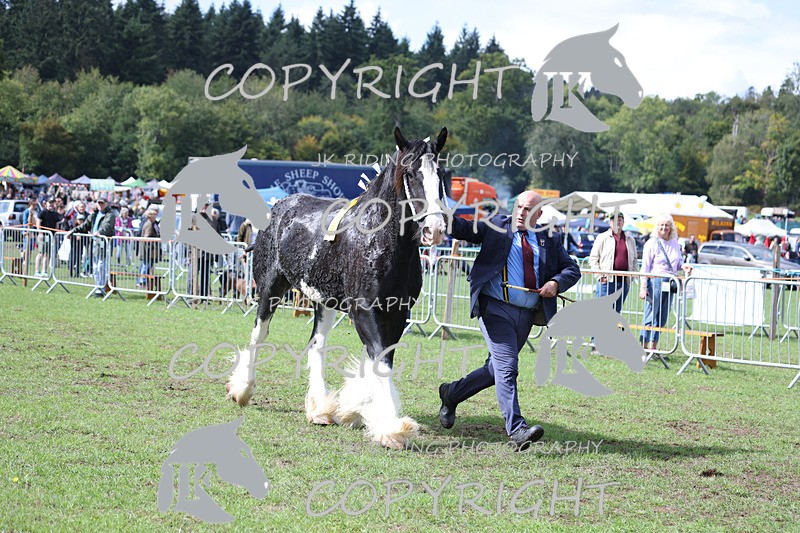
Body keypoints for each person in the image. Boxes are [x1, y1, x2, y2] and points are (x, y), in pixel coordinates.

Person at [437, 191, 581, 449]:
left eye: (528, 210)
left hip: (527, 315)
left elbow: (572, 269)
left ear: (539, 214)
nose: (521, 213)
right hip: (494, 309)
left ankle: (452, 393)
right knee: (507, 367)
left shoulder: (550, 238)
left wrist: (555, 283)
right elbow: (463, 228)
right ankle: (517, 430)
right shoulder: (496, 226)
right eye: (519, 207)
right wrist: (438, 212)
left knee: (495, 371)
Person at [638, 213, 690, 351]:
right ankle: (643, 346)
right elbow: (645, 267)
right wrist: (643, 287)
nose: (664, 228)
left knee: (662, 316)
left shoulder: (675, 243)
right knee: (650, 314)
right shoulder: (651, 243)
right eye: (661, 225)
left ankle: (653, 347)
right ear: (657, 227)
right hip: (654, 281)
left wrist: (683, 266)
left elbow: (677, 263)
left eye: (667, 225)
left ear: (671, 227)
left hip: (670, 282)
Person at [588, 211, 638, 313]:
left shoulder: (630, 239)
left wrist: (631, 276)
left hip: (623, 282)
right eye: (614, 220)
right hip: (606, 282)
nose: (617, 222)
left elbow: (634, 260)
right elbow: (593, 258)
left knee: (616, 313)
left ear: (623, 222)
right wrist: (599, 276)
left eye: (619, 220)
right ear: (610, 222)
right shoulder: (602, 237)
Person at [68, 197, 117, 297]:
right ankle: (98, 286)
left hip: (104, 243)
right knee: (95, 267)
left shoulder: (110, 214)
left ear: (107, 203)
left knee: (101, 265)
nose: (100, 205)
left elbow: (107, 226)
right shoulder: (94, 214)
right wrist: (72, 231)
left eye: (102, 203)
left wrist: (99, 232)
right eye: (99, 203)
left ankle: (101, 288)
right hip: (94, 243)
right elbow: (85, 225)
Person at [36, 199, 62, 276]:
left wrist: (56, 234)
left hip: (51, 236)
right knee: (40, 253)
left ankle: (44, 270)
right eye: (50, 203)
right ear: (46, 204)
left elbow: (57, 225)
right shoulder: (43, 212)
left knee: (47, 254)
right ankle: (37, 271)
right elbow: (38, 222)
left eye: (52, 203)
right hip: (43, 235)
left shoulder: (55, 214)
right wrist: (40, 233)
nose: (51, 205)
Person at [138, 208, 161, 287]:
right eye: (154, 215)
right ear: (150, 216)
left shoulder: (153, 223)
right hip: (147, 249)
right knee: (145, 265)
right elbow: (147, 237)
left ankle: (146, 280)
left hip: (150, 249)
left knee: (149, 265)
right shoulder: (149, 225)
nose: (155, 216)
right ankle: (142, 281)